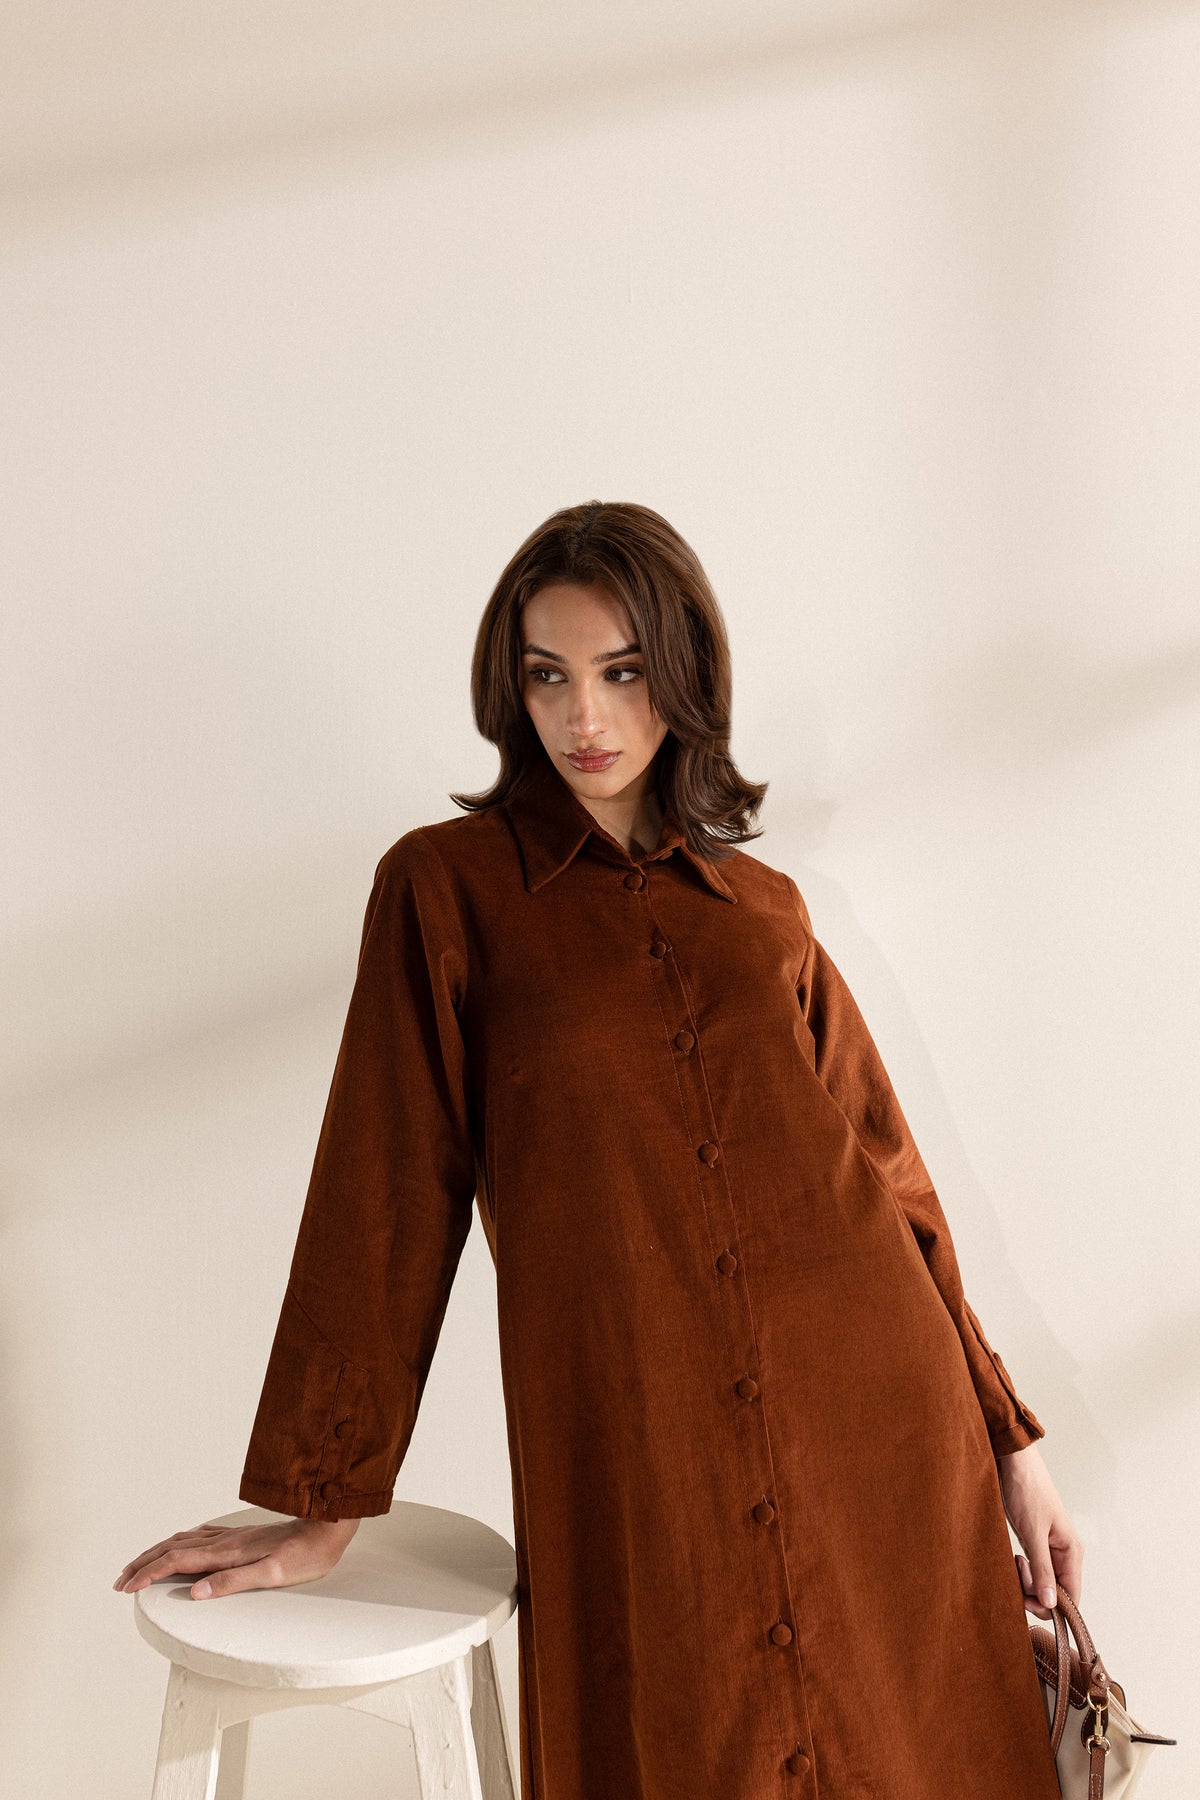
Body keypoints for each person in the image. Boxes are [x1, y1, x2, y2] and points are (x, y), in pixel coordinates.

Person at [115, 500, 1082, 1798]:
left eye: (624, 673)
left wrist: (1011, 1443)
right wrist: (323, 1500)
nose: (586, 716)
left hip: (880, 1426)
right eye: (549, 675)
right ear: (509, 688)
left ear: (683, 676)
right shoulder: (447, 890)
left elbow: (891, 1179)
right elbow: (386, 1194)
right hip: (640, 1438)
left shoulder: (765, 911)